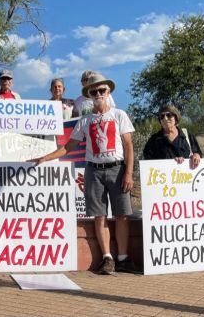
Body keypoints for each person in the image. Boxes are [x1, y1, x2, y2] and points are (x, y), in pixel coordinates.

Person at [32, 74, 136, 274]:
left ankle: (123, 258)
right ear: (89, 94)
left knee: (122, 215)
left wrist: (129, 173)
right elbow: (67, 148)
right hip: (93, 171)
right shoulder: (85, 121)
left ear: (108, 93)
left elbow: (128, 145)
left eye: (102, 91)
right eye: (93, 91)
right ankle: (107, 258)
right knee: (100, 215)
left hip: (117, 169)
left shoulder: (119, 115)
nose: (98, 94)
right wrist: (45, 157)